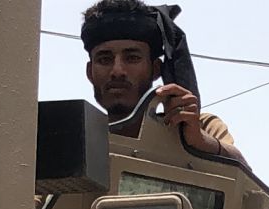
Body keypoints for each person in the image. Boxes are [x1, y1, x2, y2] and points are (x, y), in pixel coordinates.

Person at [82, 0, 248, 164]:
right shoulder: (78, 137)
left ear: (155, 69)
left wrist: (200, 142)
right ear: (90, 72)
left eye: (132, 58)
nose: (117, 71)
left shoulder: (202, 127)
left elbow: (246, 181)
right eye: (105, 60)